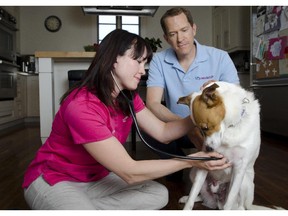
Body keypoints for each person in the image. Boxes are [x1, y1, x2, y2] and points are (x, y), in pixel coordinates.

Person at [22, 29, 231, 210]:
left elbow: (163, 132)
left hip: (96, 179)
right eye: (137, 61)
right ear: (113, 59)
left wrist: (198, 109)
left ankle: (74, 206)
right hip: (55, 179)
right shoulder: (82, 106)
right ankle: (67, 204)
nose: (143, 70)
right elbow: (129, 172)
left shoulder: (127, 97)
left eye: (144, 63)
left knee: (159, 194)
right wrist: (192, 160)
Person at [145, 7, 240, 180]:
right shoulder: (159, 60)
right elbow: (152, 103)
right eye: (173, 34)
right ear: (166, 38)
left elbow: (237, 98)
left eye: (184, 30)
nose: (180, 39)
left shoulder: (220, 57)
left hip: (215, 130)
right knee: (144, 125)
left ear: (193, 29)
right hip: (176, 130)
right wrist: (188, 126)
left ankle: (220, 164)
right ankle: (176, 164)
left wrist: (220, 88)